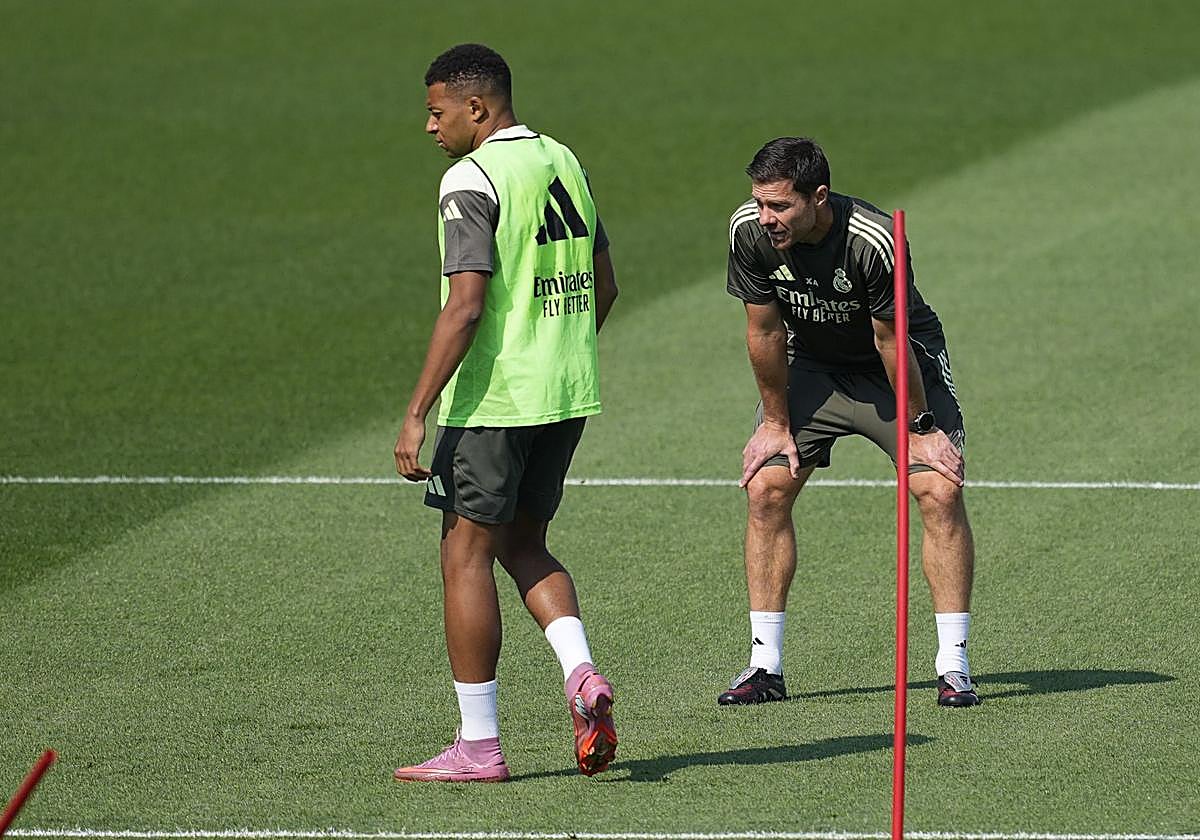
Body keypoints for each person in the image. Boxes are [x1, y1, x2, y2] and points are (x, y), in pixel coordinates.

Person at [392, 43, 620, 782]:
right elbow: (606, 285)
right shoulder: (566, 160)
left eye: (436, 111)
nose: (429, 128)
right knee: (526, 544)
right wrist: (557, 352)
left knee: (465, 557)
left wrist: (416, 411)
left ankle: (480, 745)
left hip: (496, 399)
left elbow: (465, 305)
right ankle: (581, 674)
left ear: (477, 108)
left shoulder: (471, 176)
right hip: (564, 391)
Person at [722, 137, 980, 708]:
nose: (767, 218)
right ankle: (765, 665)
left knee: (937, 489)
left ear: (818, 197)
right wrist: (774, 421)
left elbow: (889, 340)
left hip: (892, 362)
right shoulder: (749, 231)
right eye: (760, 204)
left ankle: (953, 665)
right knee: (766, 487)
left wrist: (920, 424)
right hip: (813, 362)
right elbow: (764, 331)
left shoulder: (874, 240)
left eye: (780, 207)